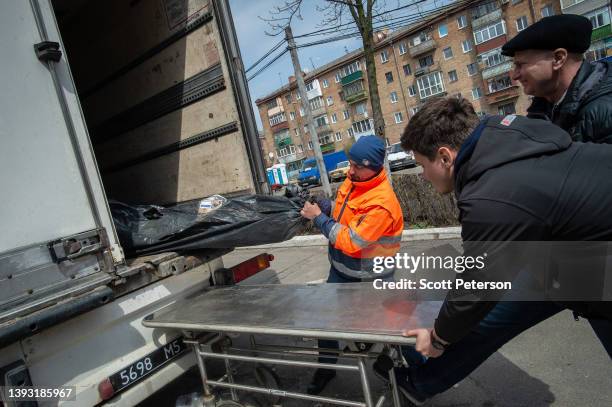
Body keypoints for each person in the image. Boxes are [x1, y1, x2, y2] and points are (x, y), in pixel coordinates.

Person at [376, 97, 612, 405]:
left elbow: (477, 284)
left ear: (445, 157)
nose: (422, 175)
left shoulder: (491, 196)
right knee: (491, 316)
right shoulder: (506, 136)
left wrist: (438, 339)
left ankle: (422, 379)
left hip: (594, 266)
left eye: (422, 165)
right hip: (568, 259)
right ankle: (421, 383)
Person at [300, 135, 404, 394]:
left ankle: (409, 377)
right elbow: (344, 210)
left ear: (374, 167)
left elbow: (351, 240)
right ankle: (326, 369)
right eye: (350, 164)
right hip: (341, 271)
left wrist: (318, 219)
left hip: (371, 279)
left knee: (392, 331)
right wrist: (326, 206)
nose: (350, 170)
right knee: (326, 323)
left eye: (357, 166)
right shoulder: (356, 179)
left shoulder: (382, 203)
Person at [503, 14, 612, 143]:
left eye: (520, 65)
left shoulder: (605, 113)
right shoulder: (543, 109)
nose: (515, 75)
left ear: (558, 59)